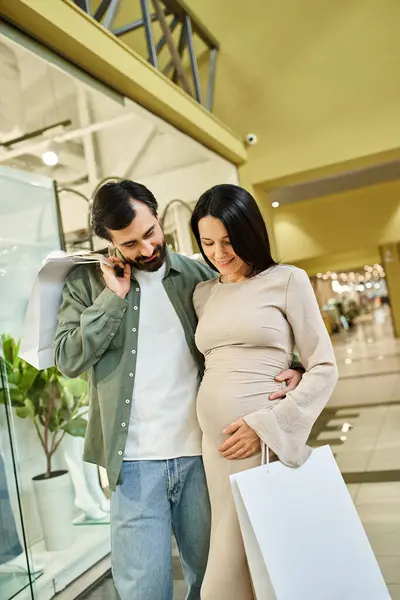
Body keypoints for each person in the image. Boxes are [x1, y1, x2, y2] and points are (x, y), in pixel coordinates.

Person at [53, 180, 303, 600]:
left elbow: (251, 329)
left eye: (151, 232)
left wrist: (290, 367)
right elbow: (67, 359)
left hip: (204, 457)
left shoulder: (199, 275)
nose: (148, 248)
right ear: (109, 242)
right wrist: (112, 300)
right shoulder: (85, 284)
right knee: (142, 590)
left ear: (158, 216)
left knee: (217, 581)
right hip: (132, 465)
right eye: (130, 244)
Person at [190, 184, 338, 600]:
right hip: (215, 446)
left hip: (261, 440)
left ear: (250, 231)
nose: (219, 253)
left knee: (248, 560)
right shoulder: (204, 293)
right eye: (208, 243)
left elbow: (324, 366)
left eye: (229, 240)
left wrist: (268, 424)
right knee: (246, 558)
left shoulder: (288, 280)